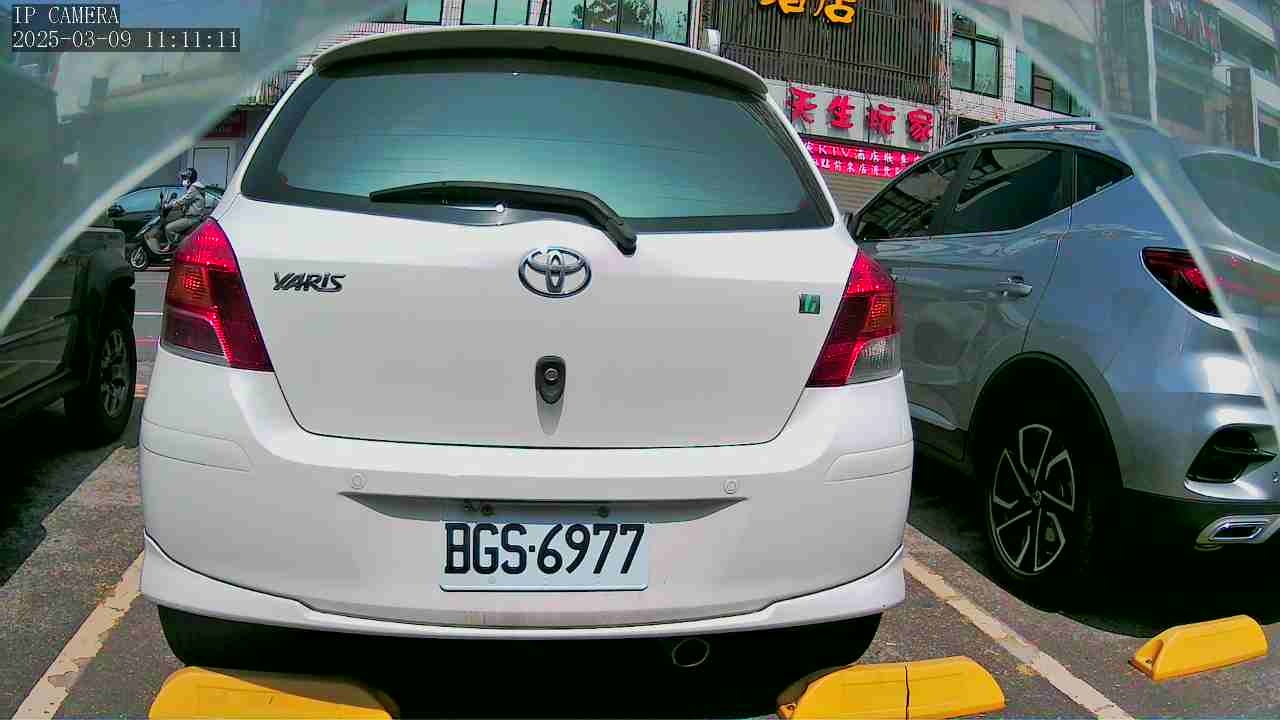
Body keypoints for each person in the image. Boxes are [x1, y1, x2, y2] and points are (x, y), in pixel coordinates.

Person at [162, 168, 207, 248]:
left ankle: (174, 247)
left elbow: (183, 200)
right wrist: (175, 204)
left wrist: (168, 205)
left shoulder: (194, 188)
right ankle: (176, 240)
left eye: (185, 178)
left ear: (190, 178)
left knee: (168, 228)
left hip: (192, 218)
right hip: (193, 216)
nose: (183, 180)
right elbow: (185, 200)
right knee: (173, 219)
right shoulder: (194, 188)